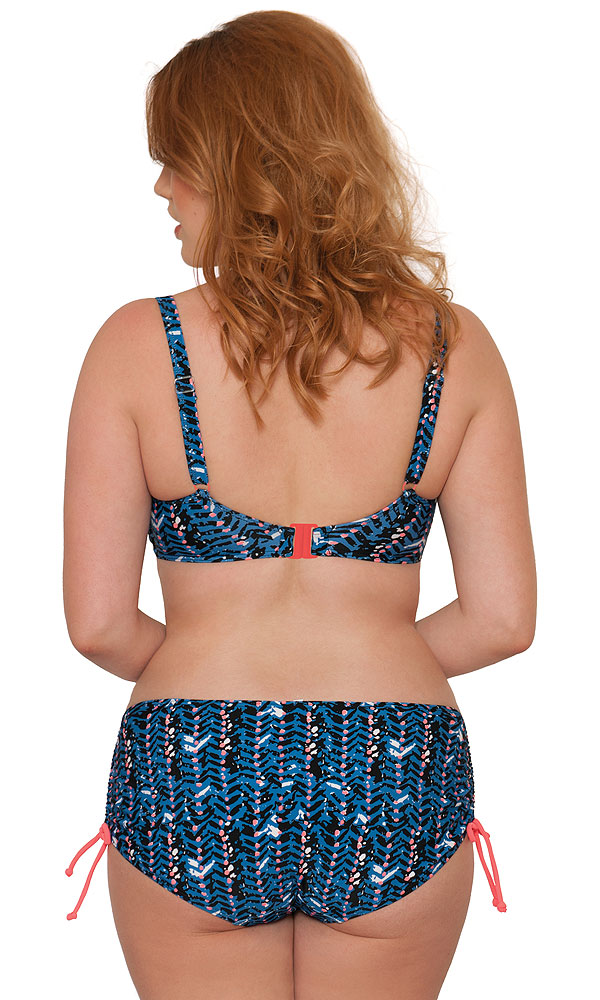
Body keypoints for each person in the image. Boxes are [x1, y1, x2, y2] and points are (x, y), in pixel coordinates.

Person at [62, 10, 536, 1000]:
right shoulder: (453, 349)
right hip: (395, 771)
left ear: (244, 166)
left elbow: (99, 623)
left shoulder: (137, 347)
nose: (161, 188)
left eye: (179, 161)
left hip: (191, 769)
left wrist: (217, 661)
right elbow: (502, 618)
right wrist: (365, 655)